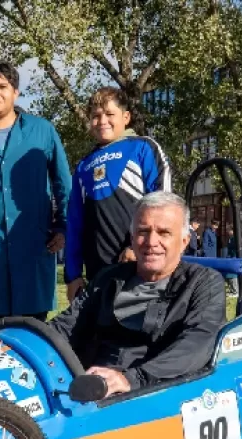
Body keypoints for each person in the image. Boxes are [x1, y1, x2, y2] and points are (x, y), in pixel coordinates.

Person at [50, 191, 225, 396]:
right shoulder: (107, 279)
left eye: (164, 233)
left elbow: (197, 343)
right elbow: (66, 325)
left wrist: (131, 379)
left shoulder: (204, 283)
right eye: (143, 231)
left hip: (153, 394)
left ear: (185, 241)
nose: (151, 242)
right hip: (89, 387)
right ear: (132, 239)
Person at [0, 61, 71, 330]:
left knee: (33, 327)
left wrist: (63, 226)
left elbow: (63, 183)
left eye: (2, 87)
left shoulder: (42, 131)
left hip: (34, 242)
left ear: (16, 92)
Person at [64, 87, 171, 302]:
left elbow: (163, 204)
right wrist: (72, 275)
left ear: (126, 117)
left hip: (140, 268)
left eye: (109, 114)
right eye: (95, 116)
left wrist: (138, 246)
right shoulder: (83, 166)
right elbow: (74, 224)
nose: (102, 120)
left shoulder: (143, 147)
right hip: (98, 275)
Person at [225, 227, 239, 297]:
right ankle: (232, 290)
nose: (227, 232)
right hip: (229, 258)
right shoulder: (230, 239)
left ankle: (235, 291)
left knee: (232, 275)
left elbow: (235, 250)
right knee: (228, 275)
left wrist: (233, 257)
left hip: (234, 258)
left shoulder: (234, 239)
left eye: (228, 230)